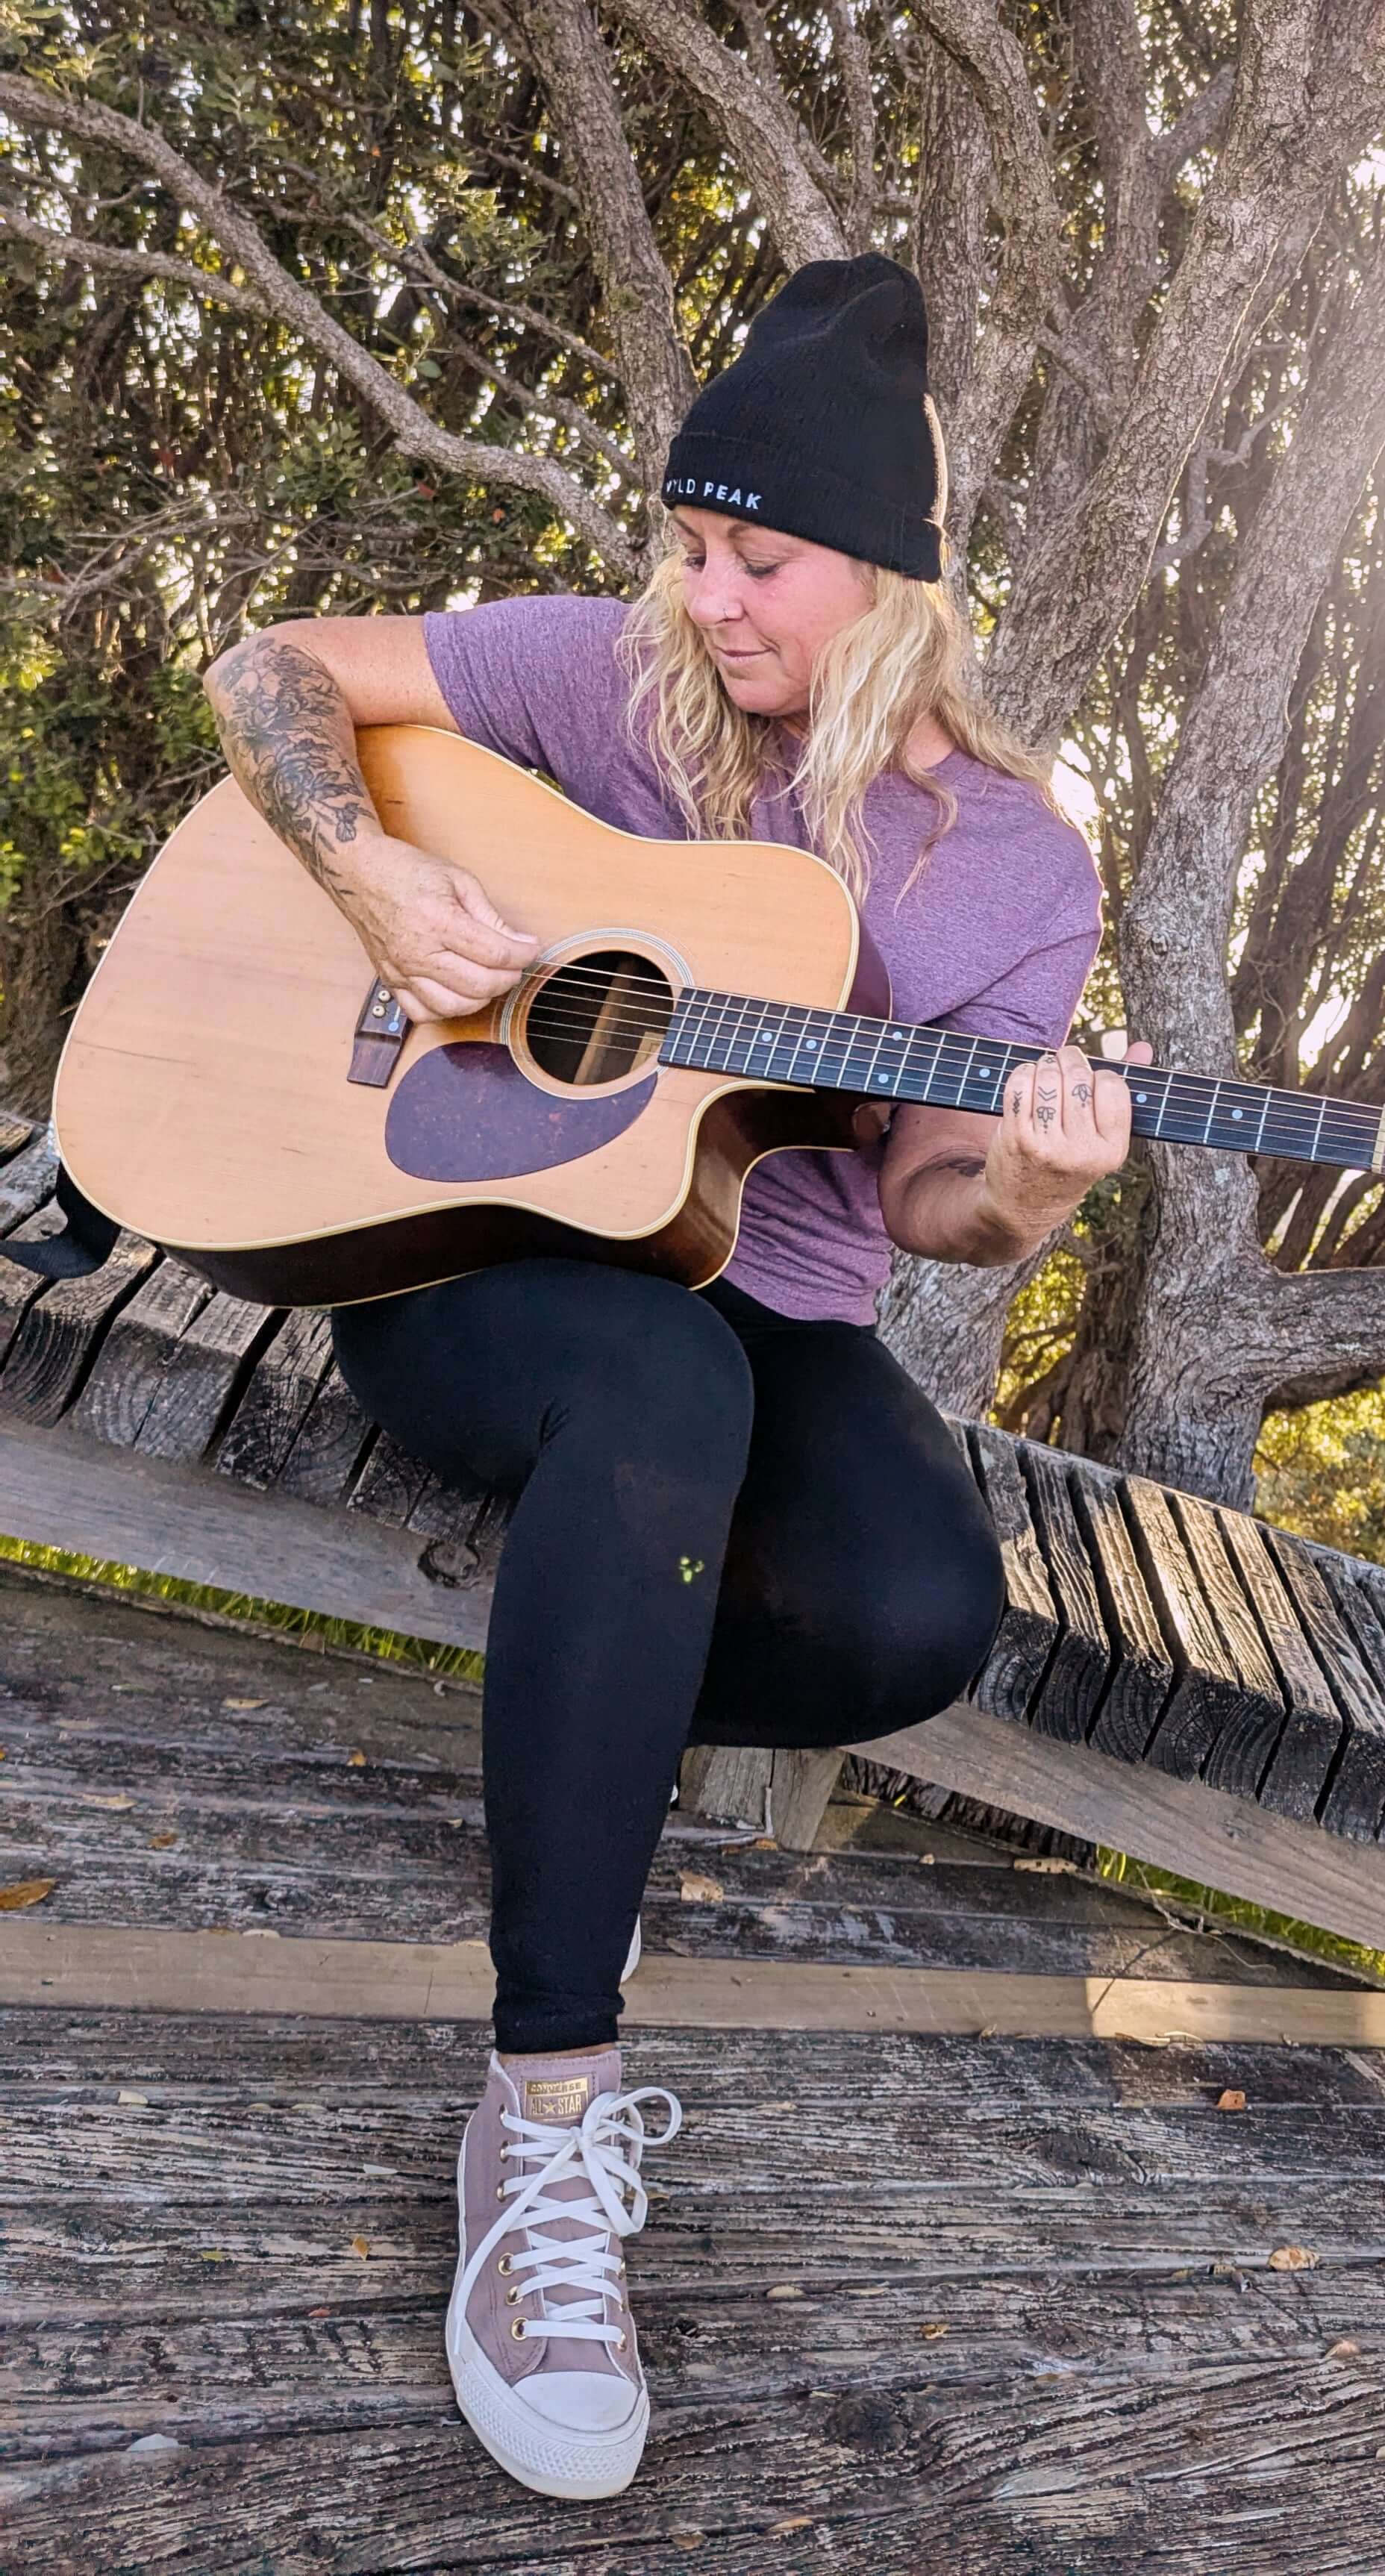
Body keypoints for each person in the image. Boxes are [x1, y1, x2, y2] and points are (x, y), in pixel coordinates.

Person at [201, 254, 1143, 2503]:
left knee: (920, 1604)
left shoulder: (1016, 867)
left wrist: (1029, 1189)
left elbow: (936, 1203)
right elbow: (264, 669)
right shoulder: (603, 666)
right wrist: (365, 876)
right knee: (654, 1403)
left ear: (894, 581)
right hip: (458, 1250)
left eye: (762, 561)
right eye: (691, 545)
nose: (707, 599)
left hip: (755, 1291)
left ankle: (581, 1690)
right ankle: (540, 2128)